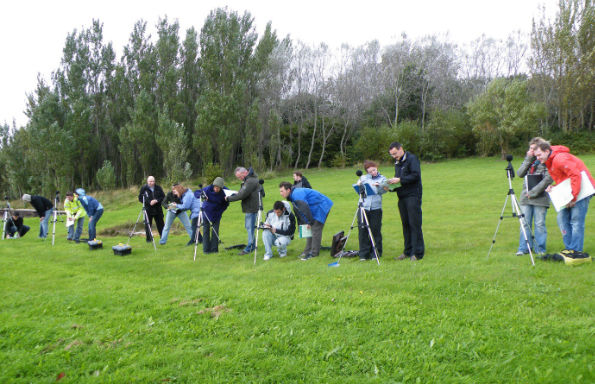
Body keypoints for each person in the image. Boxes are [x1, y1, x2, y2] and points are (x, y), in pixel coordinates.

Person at [534, 141, 594, 256]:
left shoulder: (559, 159)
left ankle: (575, 251)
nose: (537, 158)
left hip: (582, 190)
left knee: (576, 220)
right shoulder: (549, 161)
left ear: (546, 151)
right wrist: (555, 187)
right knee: (562, 218)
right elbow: (565, 179)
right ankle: (569, 249)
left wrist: (573, 197)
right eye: (536, 156)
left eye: (539, 155)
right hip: (572, 190)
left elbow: (576, 175)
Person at [387, 142, 424, 261]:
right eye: (392, 155)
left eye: (395, 153)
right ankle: (407, 251)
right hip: (401, 197)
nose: (394, 156)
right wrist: (390, 187)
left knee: (414, 223)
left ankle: (417, 253)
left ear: (401, 149)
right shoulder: (397, 163)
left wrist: (400, 179)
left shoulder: (412, 159)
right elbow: (398, 182)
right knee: (405, 224)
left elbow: (415, 175)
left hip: (413, 195)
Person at [516, 137, 553, 256]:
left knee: (539, 224)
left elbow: (548, 179)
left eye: (533, 149)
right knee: (524, 223)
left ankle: (540, 249)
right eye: (530, 149)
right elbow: (520, 173)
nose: (531, 151)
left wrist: (533, 193)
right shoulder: (530, 160)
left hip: (540, 197)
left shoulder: (547, 160)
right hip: (526, 196)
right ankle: (524, 248)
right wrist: (528, 158)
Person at [279, 182, 333, 261]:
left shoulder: (296, 195)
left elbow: (305, 209)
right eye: (280, 191)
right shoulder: (292, 195)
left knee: (315, 229)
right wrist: (303, 223)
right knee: (310, 229)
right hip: (314, 207)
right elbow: (299, 211)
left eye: (282, 191)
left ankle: (314, 253)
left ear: (288, 190)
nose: (281, 193)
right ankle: (307, 251)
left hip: (321, 206)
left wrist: (309, 222)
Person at [356, 160, 387, 261]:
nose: (373, 172)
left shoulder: (383, 178)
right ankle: (363, 254)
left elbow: (385, 190)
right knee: (362, 230)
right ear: (367, 172)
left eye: (374, 170)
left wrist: (380, 186)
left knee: (375, 230)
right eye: (370, 171)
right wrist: (359, 184)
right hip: (363, 207)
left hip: (376, 208)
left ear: (376, 167)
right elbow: (359, 190)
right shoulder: (363, 178)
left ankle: (376, 253)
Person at [226, 167, 261, 255]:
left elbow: (242, 195)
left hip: (252, 208)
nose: (239, 178)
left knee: (250, 228)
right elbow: (242, 192)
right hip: (250, 207)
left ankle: (250, 247)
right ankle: (251, 245)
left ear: (245, 172)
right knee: (249, 227)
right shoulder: (249, 180)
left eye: (239, 176)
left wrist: (228, 198)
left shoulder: (250, 181)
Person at [195, 177, 229, 253]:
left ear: (221, 187)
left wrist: (220, 211)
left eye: (218, 188)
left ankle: (214, 250)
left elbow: (226, 203)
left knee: (215, 231)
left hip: (217, 213)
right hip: (206, 212)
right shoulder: (207, 189)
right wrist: (202, 195)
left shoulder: (225, 191)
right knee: (206, 230)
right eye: (215, 187)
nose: (216, 189)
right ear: (213, 185)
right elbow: (196, 193)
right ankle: (206, 250)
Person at [138, 176, 165, 242]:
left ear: (154, 181)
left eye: (153, 181)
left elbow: (163, 197)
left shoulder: (158, 188)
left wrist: (157, 200)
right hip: (148, 209)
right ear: (147, 181)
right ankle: (149, 240)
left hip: (158, 209)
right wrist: (149, 202)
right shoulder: (144, 188)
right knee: (148, 225)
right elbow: (140, 198)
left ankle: (163, 238)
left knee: (161, 224)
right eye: (150, 181)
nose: (151, 183)